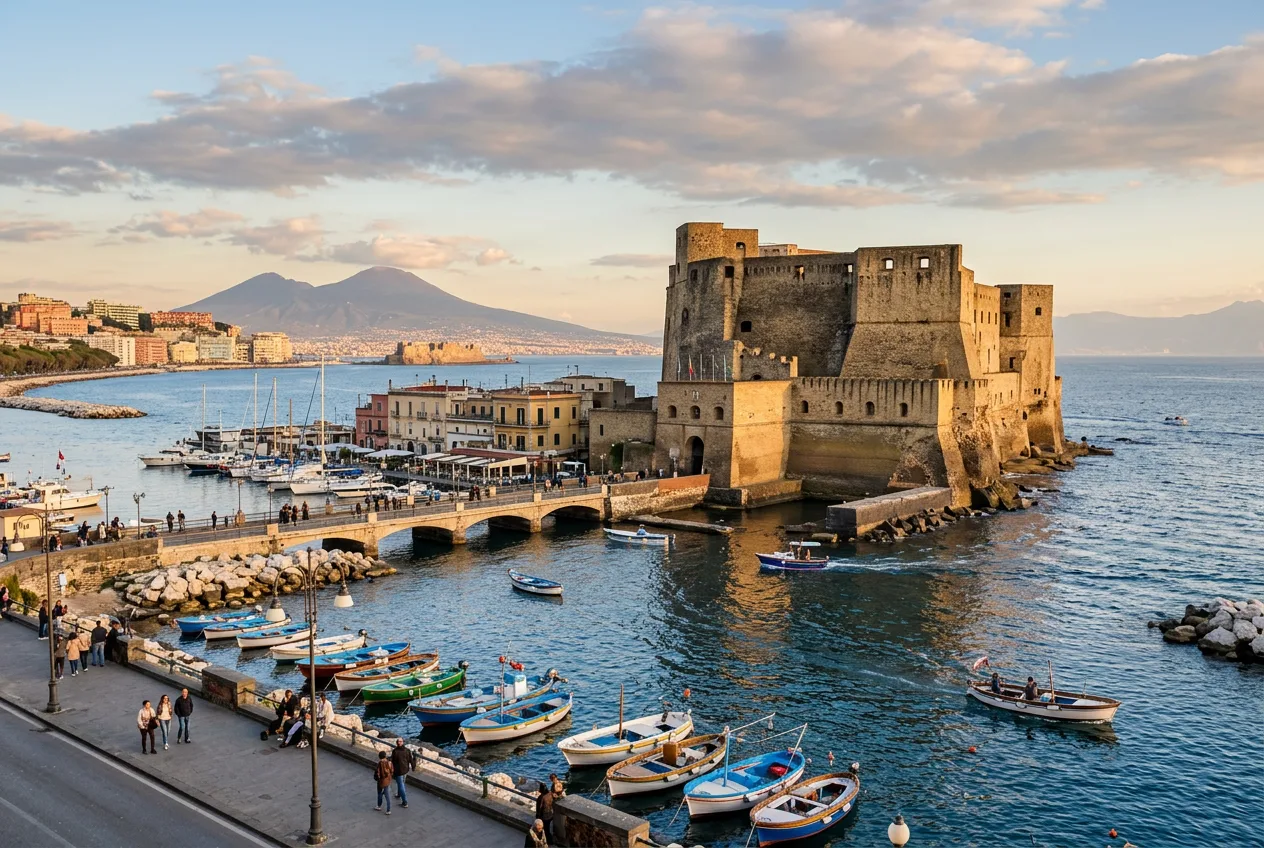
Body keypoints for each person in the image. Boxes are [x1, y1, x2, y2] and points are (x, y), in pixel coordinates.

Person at [390, 738, 414, 807]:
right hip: (405, 769)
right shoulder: (407, 750)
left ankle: (405, 802)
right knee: (402, 783)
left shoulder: (395, 751)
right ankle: (399, 794)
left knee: (401, 785)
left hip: (398, 771)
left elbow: (393, 760)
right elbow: (410, 759)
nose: (399, 742)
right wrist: (413, 767)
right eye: (398, 741)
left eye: (399, 741)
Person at [374, 750, 394, 814]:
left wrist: (377, 778)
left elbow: (378, 773)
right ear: (385, 756)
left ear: (380, 757)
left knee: (379, 793)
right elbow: (392, 770)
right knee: (387, 795)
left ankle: (379, 806)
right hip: (387, 780)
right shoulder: (389, 762)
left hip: (381, 781)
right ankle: (388, 810)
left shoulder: (380, 763)